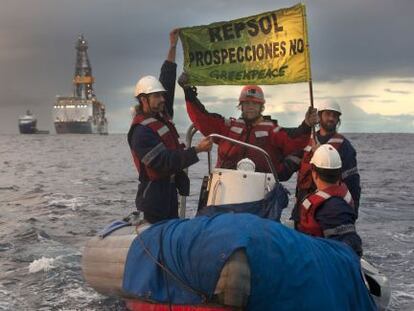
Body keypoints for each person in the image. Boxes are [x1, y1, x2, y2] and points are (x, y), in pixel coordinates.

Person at [128, 29, 212, 224]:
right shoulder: (140, 132)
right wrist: (197, 150)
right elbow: (164, 162)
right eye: (156, 96)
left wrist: (173, 46)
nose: (162, 99)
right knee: (159, 236)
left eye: (162, 95)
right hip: (153, 197)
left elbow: (167, 76)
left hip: (169, 192)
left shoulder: (162, 115)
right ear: (143, 100)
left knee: (172, 230)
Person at [178, 74, 318, 180]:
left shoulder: (272, 130)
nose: (250, 107)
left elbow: (293, 141)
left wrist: (306, 125)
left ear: (261, 107)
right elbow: (202, 119)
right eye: (247, 103)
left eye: (255, 104)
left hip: (260, 190)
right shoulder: (227, 127)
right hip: (225, 186)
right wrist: (188, 92)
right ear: (241, 105)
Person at [292, 99, 361, 223]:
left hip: (328, 209)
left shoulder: (344, 146)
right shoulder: (306, 140)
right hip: (302, 205)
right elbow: (290, 164)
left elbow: (353, 182)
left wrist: (353, 212)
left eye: (335, 116)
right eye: (328, 114)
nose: (331, 118)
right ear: (319, 116)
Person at [296, 144, 362, 257]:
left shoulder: (333, 207)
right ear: (339, 172)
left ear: (314, 172)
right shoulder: (337, 196)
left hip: (318, 264)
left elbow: (348, 247)